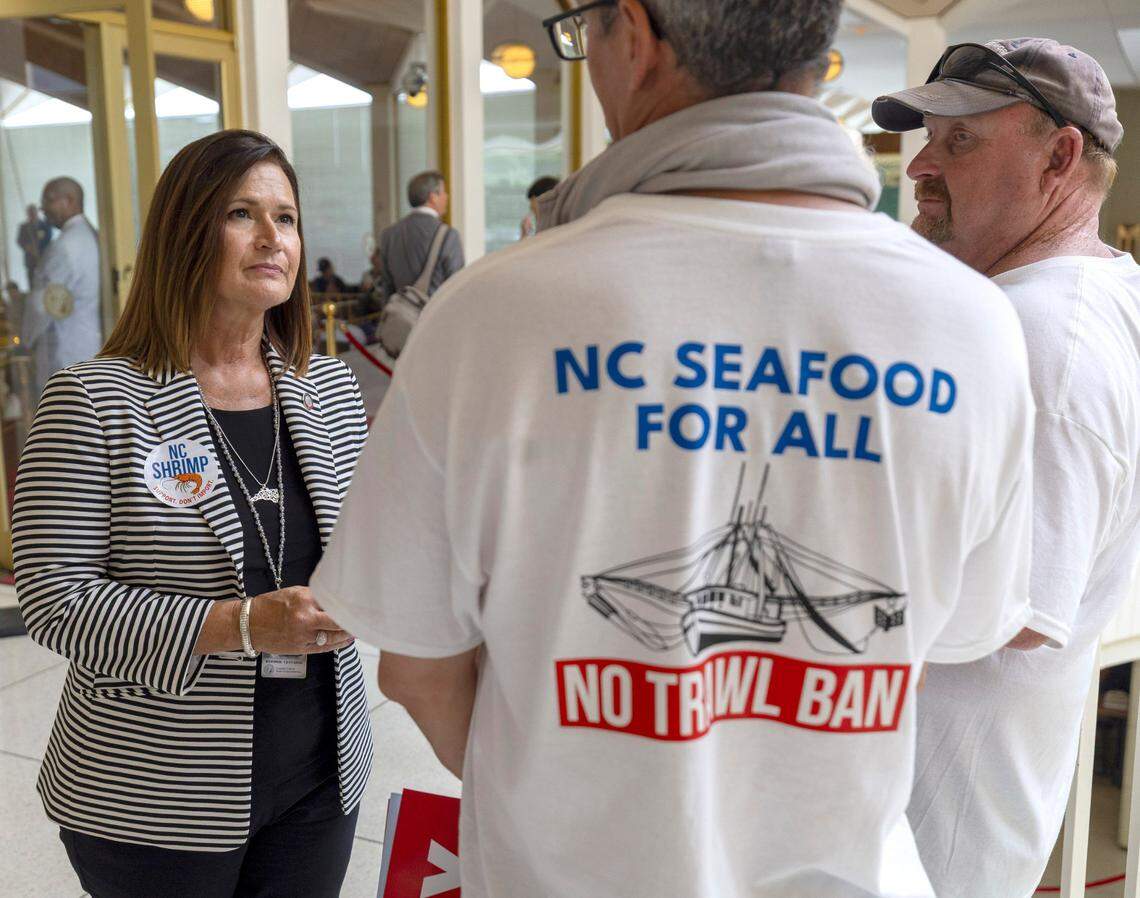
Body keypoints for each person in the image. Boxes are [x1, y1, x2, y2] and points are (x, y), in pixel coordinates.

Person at [311, 2, 1042, 895]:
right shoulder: (971, 328)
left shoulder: (494, 316)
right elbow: (947, 636)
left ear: (636, 34)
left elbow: (418, 664)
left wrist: (552, 793)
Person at [13, 130, 373, 898]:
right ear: (185, 233)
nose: (274, 237)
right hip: (154, 793)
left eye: (287, 216)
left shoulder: (331, 394)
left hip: (320, 773)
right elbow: (54, 602)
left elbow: (374, 548)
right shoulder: (96, 402)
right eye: (243, 213)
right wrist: (240, 626)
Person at [871, 39, 1140, 898]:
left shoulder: (1038, 343)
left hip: (929, 836)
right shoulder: (1099, 294)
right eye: (928, 139)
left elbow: (1017, 611)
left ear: (1060, 155)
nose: (920, 165)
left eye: (959, 142)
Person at [23, 178, 101, 405]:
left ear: (70, 200)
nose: (43, 208)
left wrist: (25, 341)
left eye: (48, 200)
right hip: (86, 345)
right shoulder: (88, 236)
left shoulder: (66, 246)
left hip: (64, 351)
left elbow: (42, 305)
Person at [376, 170, 464, 302]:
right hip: (435, 319)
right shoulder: (448, 235)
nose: (447, 196)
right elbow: (457, 287)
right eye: (443, 192)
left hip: (400, 319)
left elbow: (387, 288)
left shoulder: (389, 235)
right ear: (433, 197)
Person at [16, 202, 51, 286]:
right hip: (30, 261)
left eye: (33, 212)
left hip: (43, 259)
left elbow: (48, 239)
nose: (32, 215)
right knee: (32, 283)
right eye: (30, 213)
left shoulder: (45, 225)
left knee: (45, 283)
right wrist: (27, 247)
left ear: (37, 213)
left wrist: (38, 248)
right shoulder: (23, 227)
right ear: (27, 214)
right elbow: (20, 240)